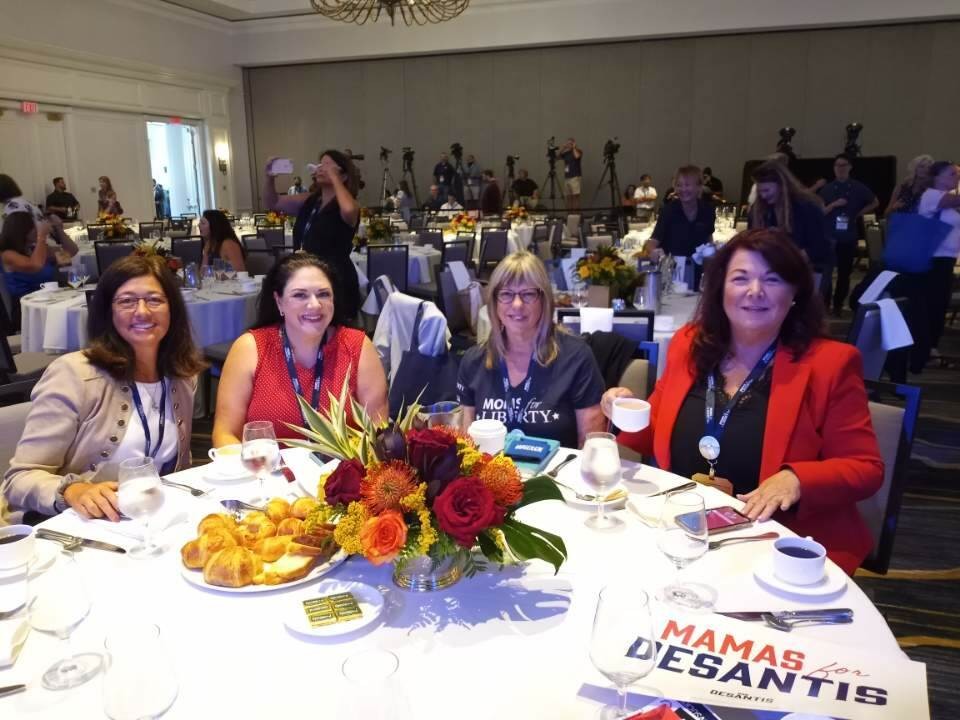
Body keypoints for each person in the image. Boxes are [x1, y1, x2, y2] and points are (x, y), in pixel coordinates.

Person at [601, 229, 882, 574]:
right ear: (720, 288)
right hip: (684, 532)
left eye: (773, 279)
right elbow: (655, 431)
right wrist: (624, 410)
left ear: (795, 291)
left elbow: (866, 467)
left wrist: (796, 479)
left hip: (777, 546)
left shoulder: (830, 363)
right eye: (740, 278)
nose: (755, 291)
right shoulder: (689, 344)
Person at [2, 255, 203, 520]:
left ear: (172, 310)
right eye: (127, 301)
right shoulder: (74, 375)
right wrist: (73, 491)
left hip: (145, 520)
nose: (142, 311)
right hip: (75, 526)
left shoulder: (182, 376)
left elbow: (179, 466)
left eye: (154, 300)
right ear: (108, 311)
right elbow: (19, 478)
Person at [212, 254, 388, 446]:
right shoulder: (251, 348)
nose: (315, 304)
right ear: (279, 301)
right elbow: (225, 434)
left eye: (323, 294)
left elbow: (378, 433)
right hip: (268, 464)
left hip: (343, 465)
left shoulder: (357, 347)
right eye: (300, 295)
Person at [458, 252, 605, 448]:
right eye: (506, 294)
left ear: (544, 300)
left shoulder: (576, 357)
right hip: (490, 467)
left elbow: (591, 446)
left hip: (558, 468)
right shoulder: (473, 361)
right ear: (494, 302)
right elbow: (465, 446)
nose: (517, 304)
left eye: (528, 294)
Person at [263, 150, 362, 321]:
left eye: (328, 165)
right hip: (306, 276)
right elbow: (273, 202)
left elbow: (348, 210)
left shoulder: (347, 203)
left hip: (336, 278)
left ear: (344, 175)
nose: (322, 168)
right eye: (321, 164)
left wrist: (335, 178)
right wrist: (269, 177)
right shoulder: (310, 200)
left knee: (335, 330)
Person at [818, 154, 878, 316]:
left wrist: (859, 214)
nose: (840, 169)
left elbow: (875, 202)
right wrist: (834, 205)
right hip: (829, 236)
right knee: (827, 273)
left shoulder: (858, 187)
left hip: (848, 236)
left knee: (844, 273)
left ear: (850, 167)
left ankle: (838, 305)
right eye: (837, 165)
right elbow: (820, 212)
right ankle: (825, 305)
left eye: (843, 165)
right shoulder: (827, 189)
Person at [1, 212, 79, 327]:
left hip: (51, 300)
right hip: (27, 309)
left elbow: (70, 251)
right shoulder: (8, 255)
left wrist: (58, 229)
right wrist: (41, 237)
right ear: (23, 230)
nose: (37, 230)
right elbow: (36, 265)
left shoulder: (34, 249)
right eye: (35, 227)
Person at [748, 160, 829, 271]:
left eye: (767, 190)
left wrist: (787, 260)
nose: (763, 196)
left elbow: (819, 247)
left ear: (782, 186)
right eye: (760, 191)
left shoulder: (806, 207)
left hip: (804, 271)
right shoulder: (758, 209)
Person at [648, 166, 716, 290]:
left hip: (699, 272)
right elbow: (653, 241)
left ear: (699, 187)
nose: (683, 189)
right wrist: (653, 251)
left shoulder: (708, 210)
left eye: (687, 185)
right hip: (673, 273)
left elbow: (708, 238)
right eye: (679, 185)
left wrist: (713, 254)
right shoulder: (668, 210)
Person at [918, 160, 960, 357]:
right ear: (937, 177)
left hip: (946, 258)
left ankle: (930, 346)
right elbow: (953, 201)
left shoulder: (947, 200)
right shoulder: (932, 195)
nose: (957, 177)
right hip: (935, 259)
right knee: (934, 303)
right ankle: (926, 348)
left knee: (938, 302)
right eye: (952, 174)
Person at [559, 138, 583, 210]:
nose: (569, 145)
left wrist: (574, 148)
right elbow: (558, 157)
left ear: (573, 144)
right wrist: (563, 148)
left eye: (570, 143)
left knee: (575, 196)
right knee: (568, 197)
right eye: (568, 143)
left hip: (575, 176)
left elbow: (577, 156)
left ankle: (576, 214)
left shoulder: (578, 151)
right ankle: (569, 214)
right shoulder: (566, 153)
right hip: (567, 177)